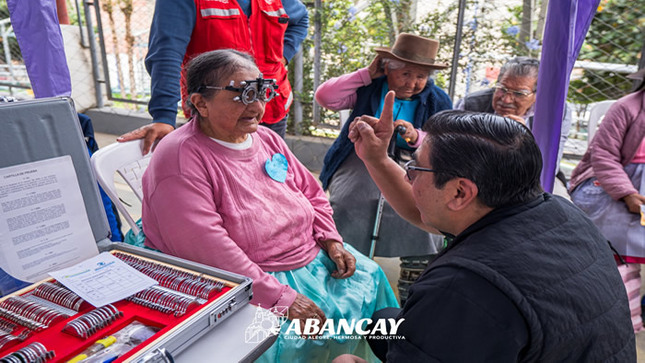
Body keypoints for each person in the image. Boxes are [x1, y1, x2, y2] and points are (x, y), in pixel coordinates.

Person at [334, 92, 635, 361]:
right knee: (382, 324)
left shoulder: (464, 287)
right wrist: (375, 158)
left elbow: (468, 298)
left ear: (460, 192)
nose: (408, 177)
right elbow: (425, 209)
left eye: (414, 168)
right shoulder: (560, 214)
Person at [141, 49, 398, 362]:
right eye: (242, 94)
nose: (257, 106)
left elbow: (311, 191)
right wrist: (280, 298)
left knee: (370, 277)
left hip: (305, 255)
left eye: (260, 92)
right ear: (200, 103)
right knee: (282, 343)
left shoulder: (265, 138)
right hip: (242, 278)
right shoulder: (180, 157)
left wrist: (332, 240)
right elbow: (206, 247)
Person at [315, 34, 451, 290]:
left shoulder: (437, 99)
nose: (413, 83)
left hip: (413, 160)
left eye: (421, 76)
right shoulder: (368, 87)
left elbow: (443, 138)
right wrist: (366, 74)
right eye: (406, 74)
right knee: (347, 201)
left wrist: (415, 136)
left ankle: (414, 277)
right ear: (387, 67)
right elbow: (325, 97)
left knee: (424, 208)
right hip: (359, 154)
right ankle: (343, 260)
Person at [117, 0, 309, 153]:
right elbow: (167, 54)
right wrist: (164, 117)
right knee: (225, 181)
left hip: (271, 107)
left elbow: (301, 19)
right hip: (220, 114)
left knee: (271, 174)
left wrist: (282, 56)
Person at [569, 67, 645, 333]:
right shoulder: (627, 107)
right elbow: (604, 154)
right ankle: (621, 319)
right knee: (615, 241)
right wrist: (627, 194)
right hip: (619, 185)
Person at [455, 56, 572, 196]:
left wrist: (524, 139)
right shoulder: (470, 105)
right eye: (502, 89)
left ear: (538, 94)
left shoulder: (555, 112)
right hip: (475, 174)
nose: (506, 99)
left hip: (532, 178)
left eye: (519, 93)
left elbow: (549, 163)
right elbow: (455, 152)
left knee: (557, 203)